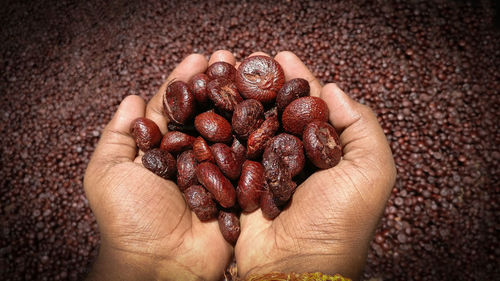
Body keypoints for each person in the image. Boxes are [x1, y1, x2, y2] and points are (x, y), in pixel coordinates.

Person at [84, 50, 396, 281]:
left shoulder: (258, 137)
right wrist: (309, 259)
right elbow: (222, 163)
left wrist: (135, 259)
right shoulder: (212, 144)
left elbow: (243, 158)